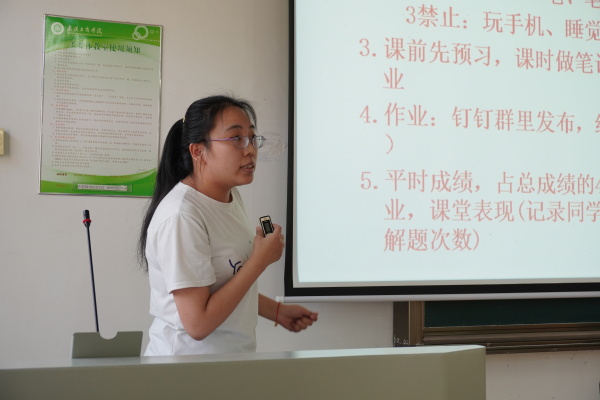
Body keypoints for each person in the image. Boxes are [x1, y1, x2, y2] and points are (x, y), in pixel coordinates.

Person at [138, 95, 318, 356]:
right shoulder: (182, 216)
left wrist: (277, 312)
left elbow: (223, 283)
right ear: (198, 151)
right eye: (236, 139)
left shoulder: (230, 197)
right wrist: (259, 261)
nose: (250, 150)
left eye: (253, 138)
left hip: (230, 363)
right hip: (184, 368)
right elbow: (198, 324)